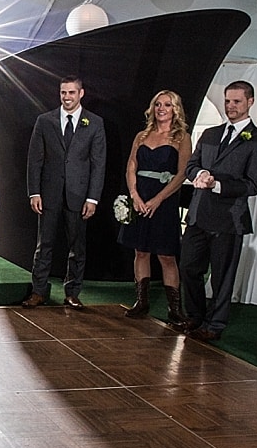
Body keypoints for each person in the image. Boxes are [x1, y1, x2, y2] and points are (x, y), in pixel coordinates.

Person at [176, 80, 257, 341]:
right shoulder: (210, 134)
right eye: (228, 101)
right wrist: (201, 173)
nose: (230, 106)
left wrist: (216, 184)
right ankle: (194, 316)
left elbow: (253, 184)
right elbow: (191, 165)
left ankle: (214, 324)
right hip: (198, 214)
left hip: (229, 218)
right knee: (188, 267)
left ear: (250, 102)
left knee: (222, 276)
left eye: (237, 101)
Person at [21, 75, 107, 308]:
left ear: (81, 93)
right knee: (44, 245)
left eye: (71, 92)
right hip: (48, 194)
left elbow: (99, 164)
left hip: (79, 196)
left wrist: (93, 198)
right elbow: (34, 161)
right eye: (63, 93)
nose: (67, 97)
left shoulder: (95, 123)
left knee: (77, 247)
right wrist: (34, 192)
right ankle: (38, 291)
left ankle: (72, 293)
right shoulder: (45, 121)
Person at [119, 90, 191, 324]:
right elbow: (131, 165)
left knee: (166, 255)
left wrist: (158, 199)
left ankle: (175, 309)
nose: (161, 108)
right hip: (140, 197)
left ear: (175, 109)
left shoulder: (181, 137)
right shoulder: (142, 135)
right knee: (140, 251)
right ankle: (142, 302)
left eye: (167, 105)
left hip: (165, 200)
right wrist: (135, 195)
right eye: (158, 104)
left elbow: (182, 174)